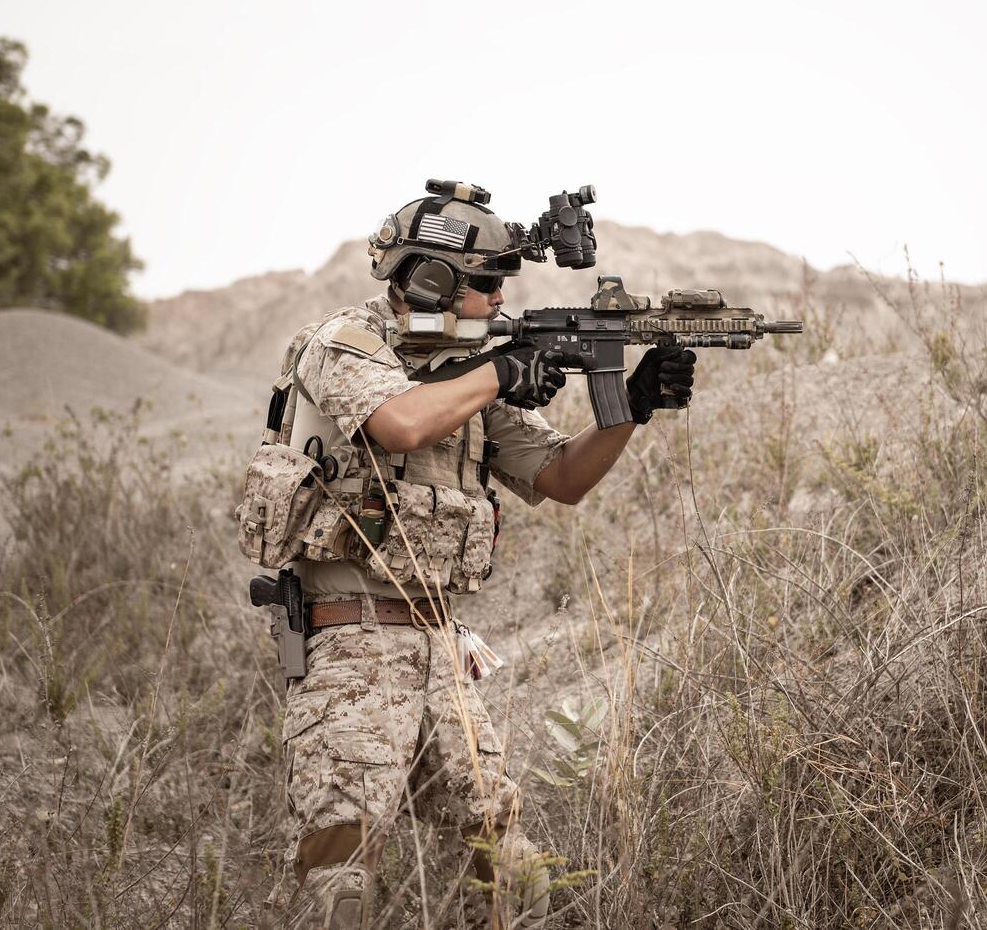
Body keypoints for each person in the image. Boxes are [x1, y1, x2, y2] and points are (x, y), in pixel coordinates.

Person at [261, 181, 697, 928]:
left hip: (437, 643)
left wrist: (630, 404)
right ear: (430, 279)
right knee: (339, 871)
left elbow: (562, 478)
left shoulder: (464, 376)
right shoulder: (344, 344)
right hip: (348, 643)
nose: (499, 301)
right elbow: (398, 424)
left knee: (505, 861)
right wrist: (503, 367)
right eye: (487, 284)